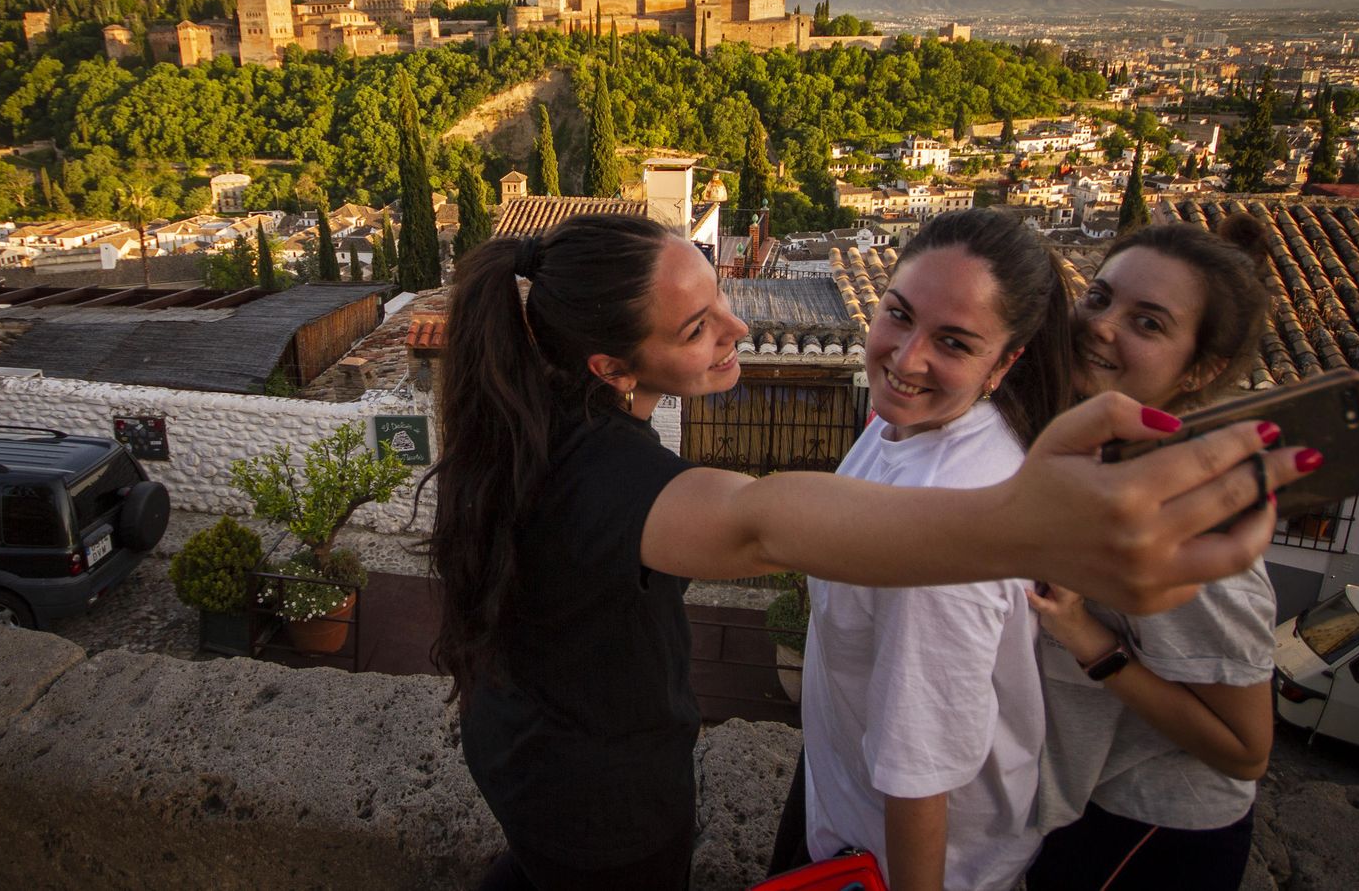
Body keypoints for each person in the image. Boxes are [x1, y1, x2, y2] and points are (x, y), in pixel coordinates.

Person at [424, 214, 1304, 891]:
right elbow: (761, 520)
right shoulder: (614, 482)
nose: (737, 325)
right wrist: (1022, 526)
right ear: (612, 367)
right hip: (598, 802)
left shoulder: (530, 416)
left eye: (720, 293)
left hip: (523, 756)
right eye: (695, 328)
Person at [799, 210, 1073, 891]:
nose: (906, 357)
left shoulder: (943, 536)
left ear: (1004, 363)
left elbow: (918, 777)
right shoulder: (911, 425)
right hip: (850, 816)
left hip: (904, 865)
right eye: (899, 315)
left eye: (953, 342)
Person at [1025, 216, 1298, 891]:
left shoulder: (1191, 524)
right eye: (1099, 297)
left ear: (1200, 369)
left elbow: (1246, 751)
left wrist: (1087, 638)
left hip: (1151, 830)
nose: (1101, 325)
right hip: (1088, 803)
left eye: (1147, 323)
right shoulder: (1094, 457)